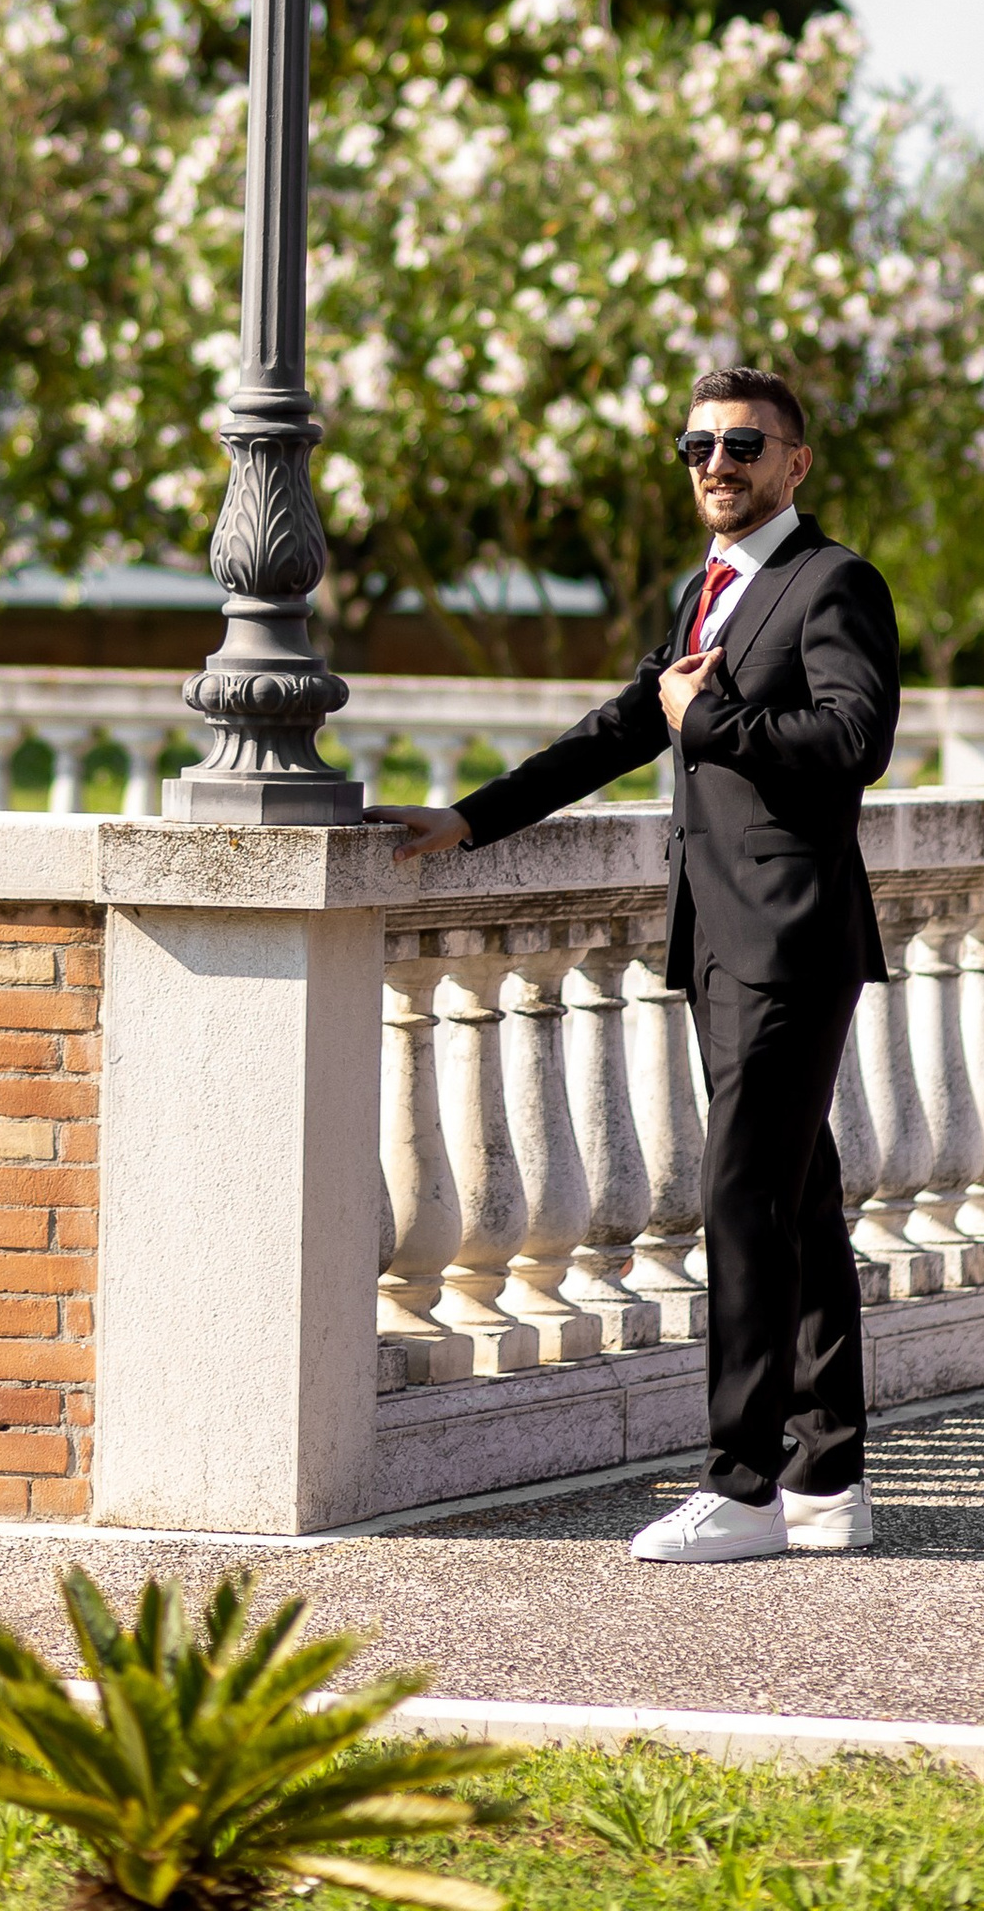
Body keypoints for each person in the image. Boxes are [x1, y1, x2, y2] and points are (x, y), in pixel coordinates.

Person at [377, 363, 900, 1566]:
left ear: (795, 464)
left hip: (789, 936)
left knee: (740, 1198)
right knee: (798, 1201)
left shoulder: (833, 583)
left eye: (744, 445)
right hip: (718, 937)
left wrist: (706, 723)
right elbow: (626, 720)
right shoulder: (705, 588)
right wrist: (469, 820)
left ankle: (740, 1486)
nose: (717, 464)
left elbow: (852, 742)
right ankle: (827, 1479)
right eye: (698, 446)